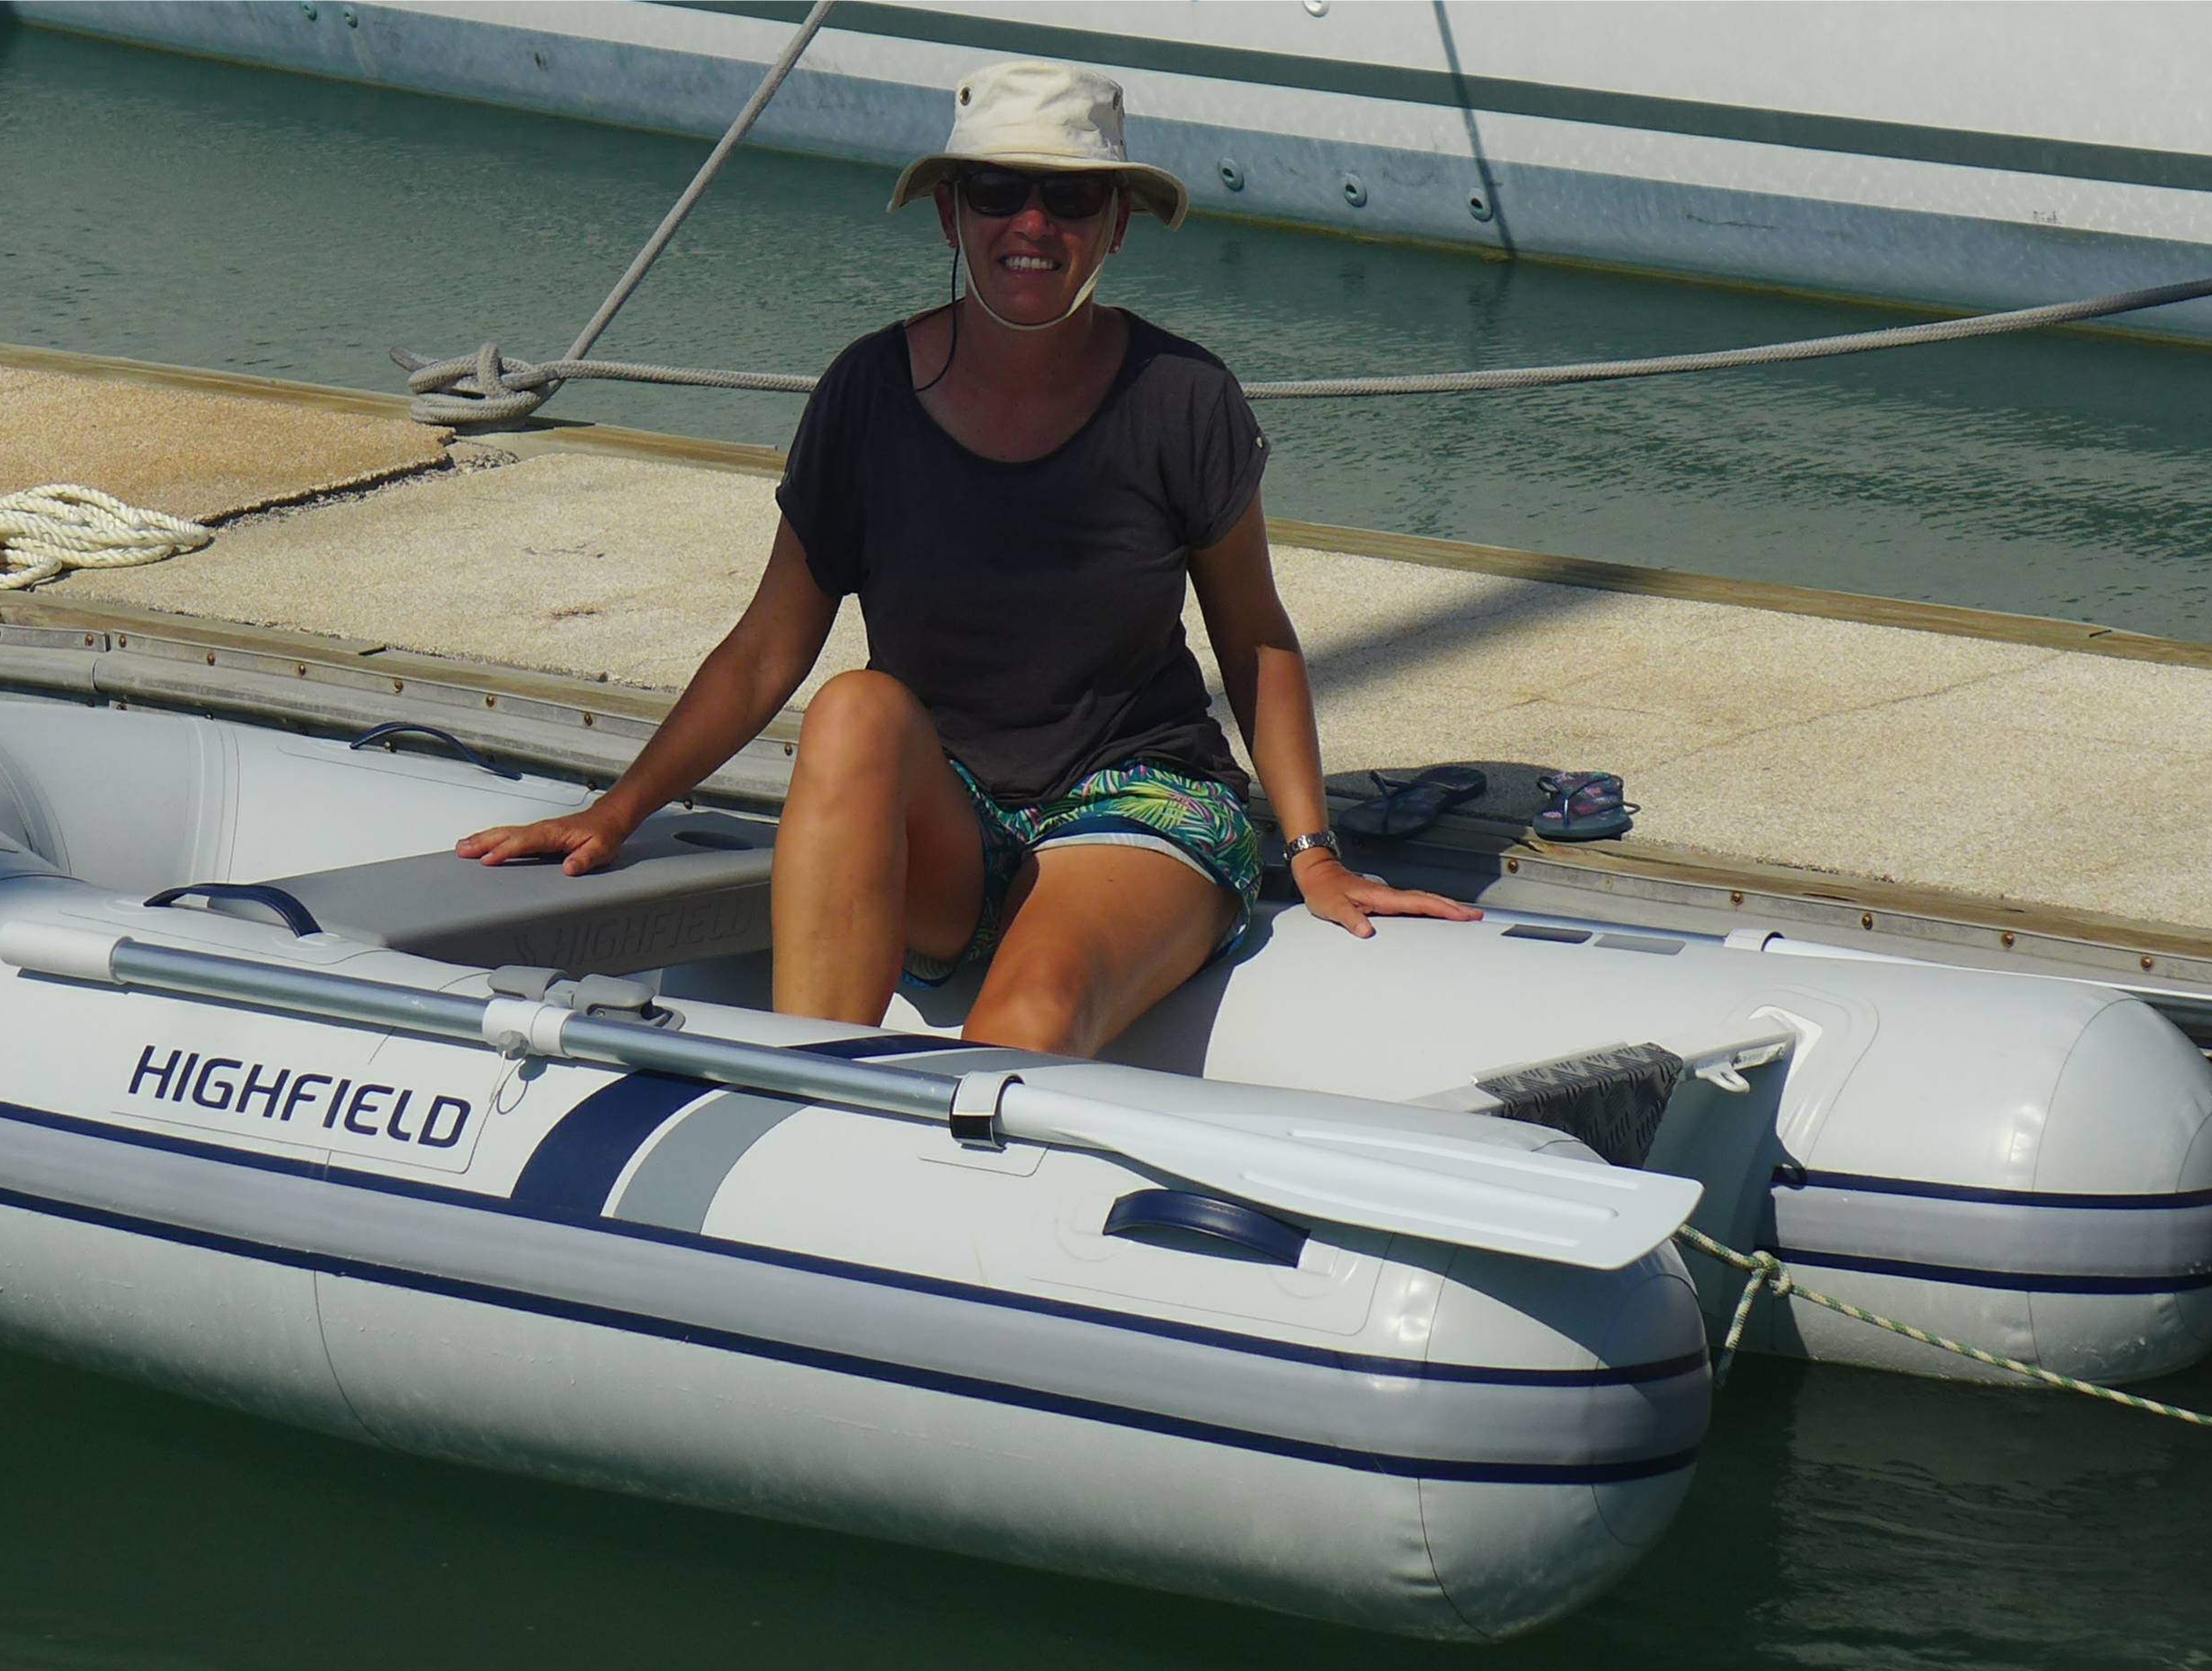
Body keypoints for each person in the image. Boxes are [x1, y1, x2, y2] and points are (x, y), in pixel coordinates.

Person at [459, 60, 1477, 1057]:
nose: (1032, 224)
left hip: (1136, 802)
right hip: (947, 818)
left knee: (1023, 1023)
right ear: (951, 213)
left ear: (1116, 225)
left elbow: (1255, 639)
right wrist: (618, 809)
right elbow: (768, 647)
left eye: (1071, 197)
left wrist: (1313, 853)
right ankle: (804, 1086)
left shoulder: (1185, 397)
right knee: (853, 706)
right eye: (997, 190)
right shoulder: (865, 395)